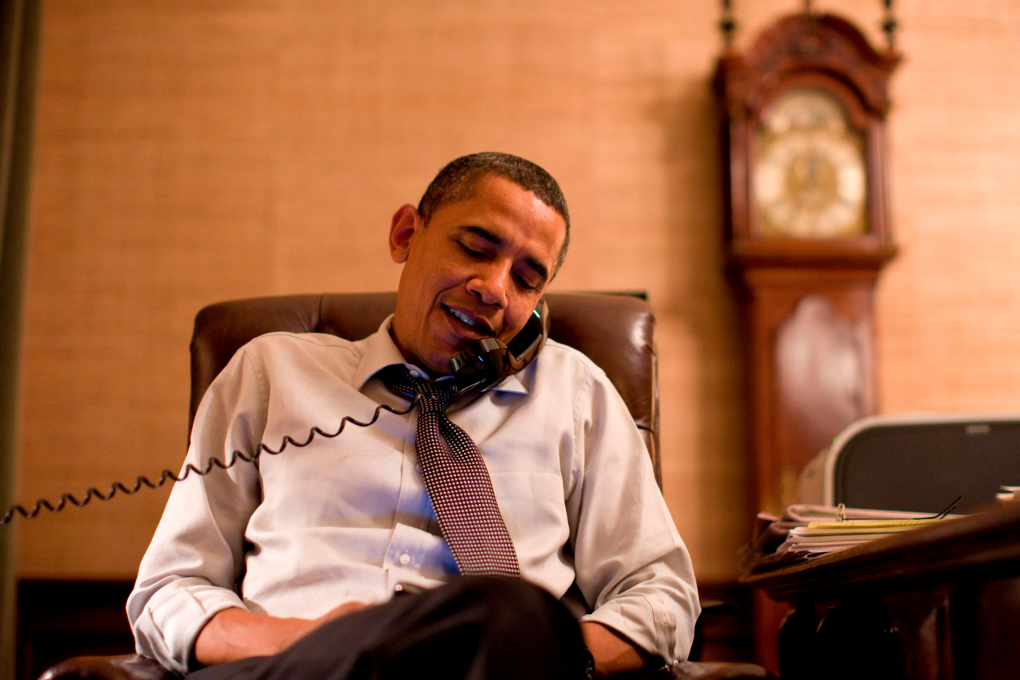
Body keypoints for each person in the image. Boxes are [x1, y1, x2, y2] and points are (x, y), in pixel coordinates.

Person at [127, 152, 700, 679]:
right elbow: (170, 589)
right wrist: (305, 640)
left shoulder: (575, 394)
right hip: (297, 668)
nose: (495, 288)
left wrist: (551, 655)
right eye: (476, 247)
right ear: (405, 234)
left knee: (512, 608)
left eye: (527, 279)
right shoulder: (271, 373)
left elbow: (660, 590)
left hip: (496, 665)